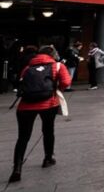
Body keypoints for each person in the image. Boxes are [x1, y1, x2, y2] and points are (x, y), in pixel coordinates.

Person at [11, 44, 72, 182]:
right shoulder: (57, 66)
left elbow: (21, 84)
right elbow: (66, 82)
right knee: (48, 131)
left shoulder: (28, 68)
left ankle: (17, 168)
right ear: (53, 54)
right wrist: (56, 89)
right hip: (48, 103)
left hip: (25, 106)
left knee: (23, 137)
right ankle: (48, 158)